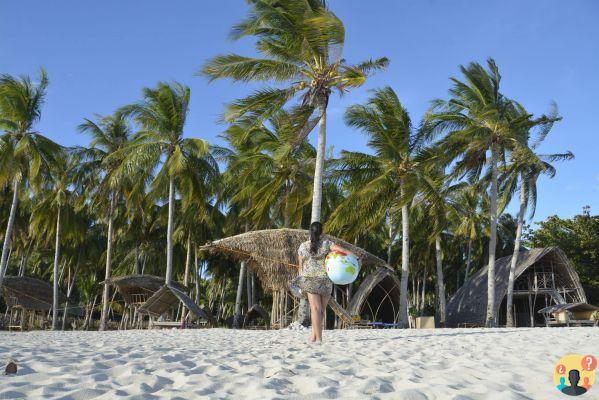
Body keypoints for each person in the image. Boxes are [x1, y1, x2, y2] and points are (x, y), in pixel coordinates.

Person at [297, 222, 353, 344]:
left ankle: (318, 338)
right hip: (325, 280)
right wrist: (354, 256)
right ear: (321, 232)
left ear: (310, 232)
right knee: (321, 310)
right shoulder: (327, 243)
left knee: (315, 309)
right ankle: (314, 336)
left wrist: (301, 281)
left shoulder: (303, 246)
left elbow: (300, 267)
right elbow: (342, 251)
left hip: (310, 280)